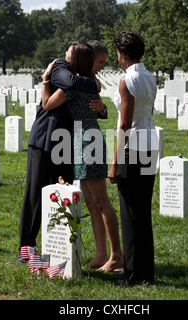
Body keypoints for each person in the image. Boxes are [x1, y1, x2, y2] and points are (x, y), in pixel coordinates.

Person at [42, 41, 123, 272]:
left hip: (86, 138)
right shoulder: (90, 82)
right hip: (83, 136)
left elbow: (47, 104)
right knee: (90, 201)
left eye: (69, 56)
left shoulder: (73, 86)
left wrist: (46, 80)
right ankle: (100, 255)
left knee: (101, 201)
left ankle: (116, 256)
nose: (64, 59)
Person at [16, 44, 100, 263]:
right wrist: (92, 83)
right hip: (45, 137)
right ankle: (26, 251)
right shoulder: (60, 66)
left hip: (67, 142)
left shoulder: (84, 78)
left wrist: (96, 91)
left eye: (69, 52)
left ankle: (61, 248)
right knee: (34, 195)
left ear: (77, 59)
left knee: (64, 193)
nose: (64, 54)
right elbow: (69, 84)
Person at [109, 30, 159, 285]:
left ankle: (132, 274)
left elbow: (125, 124)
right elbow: (149, 111)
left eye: (118, 53)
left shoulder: (126, 80)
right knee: (142, 210)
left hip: (133, 146)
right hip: (151, 143)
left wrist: (115, 161)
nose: (118, 58)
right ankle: (145, 272)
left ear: (123, 54)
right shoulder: (151, 77)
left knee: (129, 212)